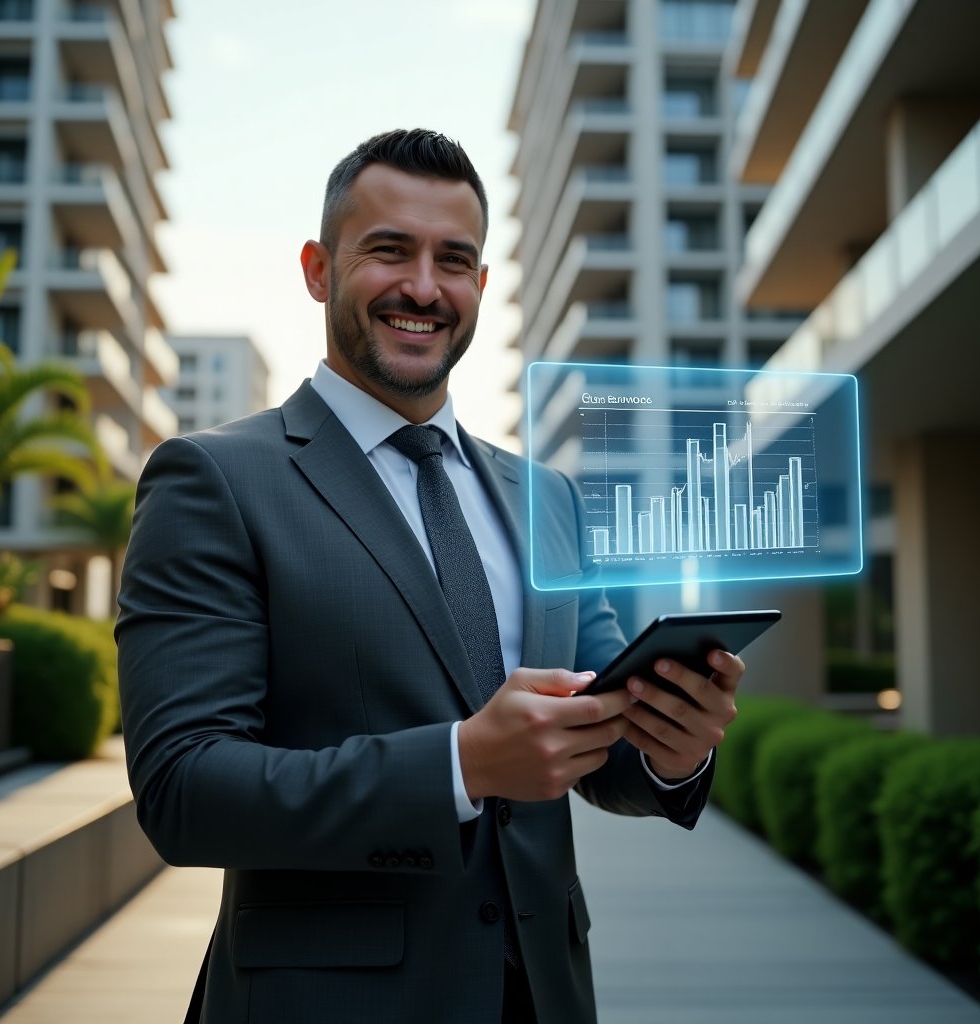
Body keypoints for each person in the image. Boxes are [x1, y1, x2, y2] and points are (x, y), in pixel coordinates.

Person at [116, 128, 743, 1024]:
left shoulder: (548, 499)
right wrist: (459, 765)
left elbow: (603, 742)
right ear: (318, 269)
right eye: (388, 250)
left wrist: (670, 751)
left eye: (454, 260)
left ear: (482, 286)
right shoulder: (212, 478)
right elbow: (184, 789)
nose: (422, 287)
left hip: (545, 995)